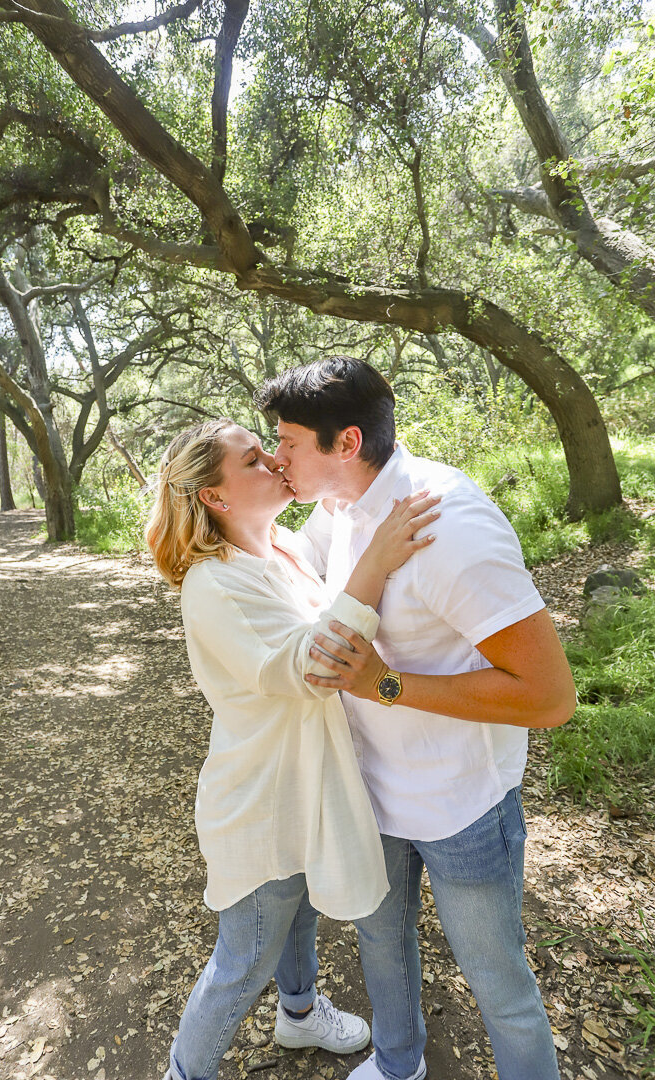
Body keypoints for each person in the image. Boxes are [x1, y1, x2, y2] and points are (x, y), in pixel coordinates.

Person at [255, 357, 577, 1080]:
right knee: (382, 947)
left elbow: (551, 697)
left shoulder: (447, 525)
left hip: (458, 802)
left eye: (287, 441)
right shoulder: (337, 508)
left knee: (499, 984)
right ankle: (400, 1065)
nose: (277, 457)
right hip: (369, 790)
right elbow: (288, 583)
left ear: (346, 444)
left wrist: (387, 684)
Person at [145, 418, 442, 1080]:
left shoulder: (276, 549)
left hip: (309, 786)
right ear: (217, 497)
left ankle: (300, 1015)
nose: (273, 461)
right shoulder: (214, 585)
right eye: (253, 459)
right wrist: (377, 561)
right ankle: (182, 1072)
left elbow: (341, 512)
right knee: (244, 958)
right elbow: (311, 668)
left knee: (300, 915)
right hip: (265, 802)